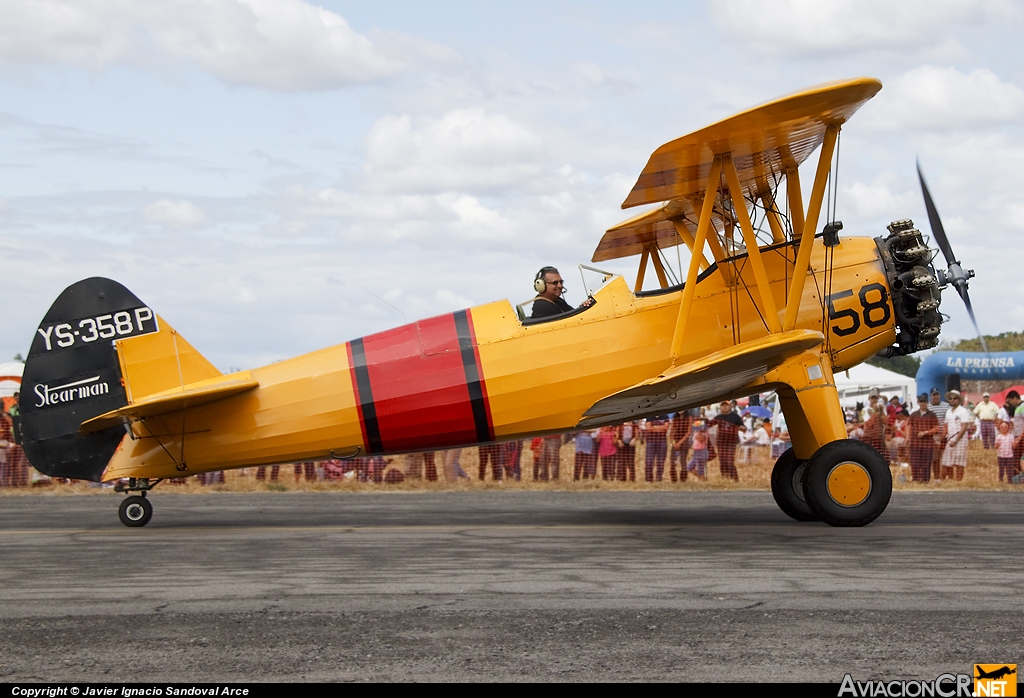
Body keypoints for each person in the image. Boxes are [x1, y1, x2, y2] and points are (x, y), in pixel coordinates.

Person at [529, 267, 594, 320]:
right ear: (541, 285)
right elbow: (573, 321)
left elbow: (574, 314)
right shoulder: (543, 306)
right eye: (555, 283)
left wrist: (583, 306)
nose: (560, 286)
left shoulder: (557, 301)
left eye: (561, 282)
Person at [940, 390, 970, 481]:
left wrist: (956, 440)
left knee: (959, 462)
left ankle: (958, 481)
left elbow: (964, 427)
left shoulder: (963, 411)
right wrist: (941, 438)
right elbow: (946, 426)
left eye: (955, 398)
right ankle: (948, 480)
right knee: (947, 461)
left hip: (960, 440)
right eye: (951, 398)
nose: (953, 400)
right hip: (950, 438)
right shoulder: (948, 411)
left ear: (959, 400)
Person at [907, 394, 938, 482]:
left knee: (926, 463)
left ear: (927, 403)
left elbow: (936, 428)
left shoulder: (932, 415)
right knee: (915, 462)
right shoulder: (914, 414)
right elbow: (908, 426)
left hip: (927, 444)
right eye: (921, 402)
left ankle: (925, 480)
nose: (922, 404)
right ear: (918, 403)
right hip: (915, 443)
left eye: (924, 402)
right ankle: (915, 480)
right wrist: (907, 438)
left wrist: (926, 432)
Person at [712, 401, 745, 480]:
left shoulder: (735, 416)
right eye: (722, 405)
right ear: (720, 407)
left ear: (730, 406)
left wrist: (737, 427)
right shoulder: (718, 417)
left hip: (731, 442)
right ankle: (724, 479)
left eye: (726, 405)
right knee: (722, 461)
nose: (724, 407)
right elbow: (710, 425)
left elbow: (744, 428)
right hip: (721, 443)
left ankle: (734, 479)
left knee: (729, 461)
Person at [641, 416, 670, 481]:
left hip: (662, 441)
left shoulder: (665, 416)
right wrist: (660, 428)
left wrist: (654, 427)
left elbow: (666, 428)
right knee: (649, 461)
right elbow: (648, 428)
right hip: (651, 441)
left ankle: (659, 478)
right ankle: (649, 479)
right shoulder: (649, 417)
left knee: (661, 461)